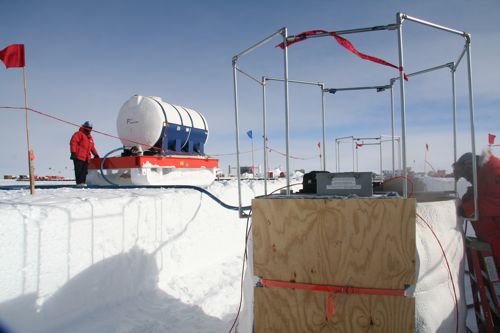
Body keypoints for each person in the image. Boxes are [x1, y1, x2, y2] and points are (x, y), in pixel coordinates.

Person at [454, 149, 500, 267]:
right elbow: (485, 194)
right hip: (492, 237)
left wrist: (471, 207)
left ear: (471, 168)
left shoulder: (495, 171)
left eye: (467, 176)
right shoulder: (484, 174)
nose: (468, 180)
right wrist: (468, 198)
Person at [70, 121, 99, 186]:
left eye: (90, 128)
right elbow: (73, 143)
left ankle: (83, 183)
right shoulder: (78, 134)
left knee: (84, 171)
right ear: (84, 127)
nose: (89, 129)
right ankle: (79, 183)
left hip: (86, 158)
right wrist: (73, 152)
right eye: (88, 128)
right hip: (78, 156)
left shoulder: (90, 137)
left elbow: (92, 147)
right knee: (79, 170)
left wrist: (96, 154)